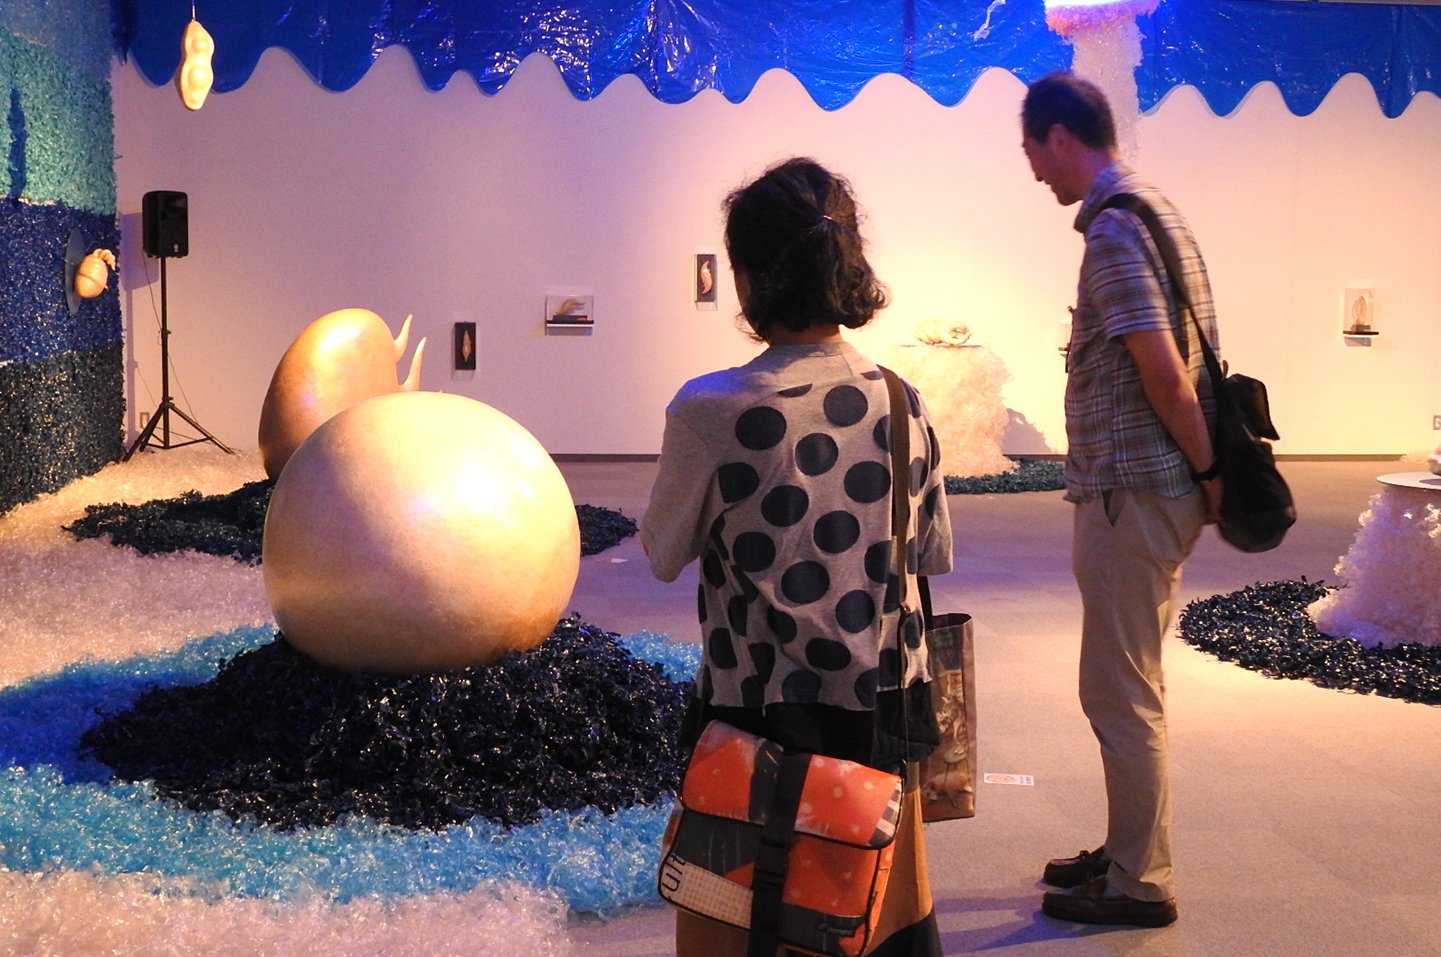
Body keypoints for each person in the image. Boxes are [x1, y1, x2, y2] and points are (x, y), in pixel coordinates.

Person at [641, 157, 953, 956]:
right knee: (869, 921)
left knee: (741, 922)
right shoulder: (901, 400)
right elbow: (929, 550)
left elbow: (662, 551)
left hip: (758, 712)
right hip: (882, 707)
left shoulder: (711, 409)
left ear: (747, 277)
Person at [1020, 71, 1222, 928]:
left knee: (1119, 691)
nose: (1033, 171)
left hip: (1133, 489)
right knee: (1124, 680)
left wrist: (1209, 475)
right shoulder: (1152, 208)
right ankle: (1126, 847)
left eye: (1032, 151)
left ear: (1060, 136)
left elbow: (1163, 372)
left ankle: (1141, 880)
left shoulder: (1112, 228)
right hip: (1141, 488)